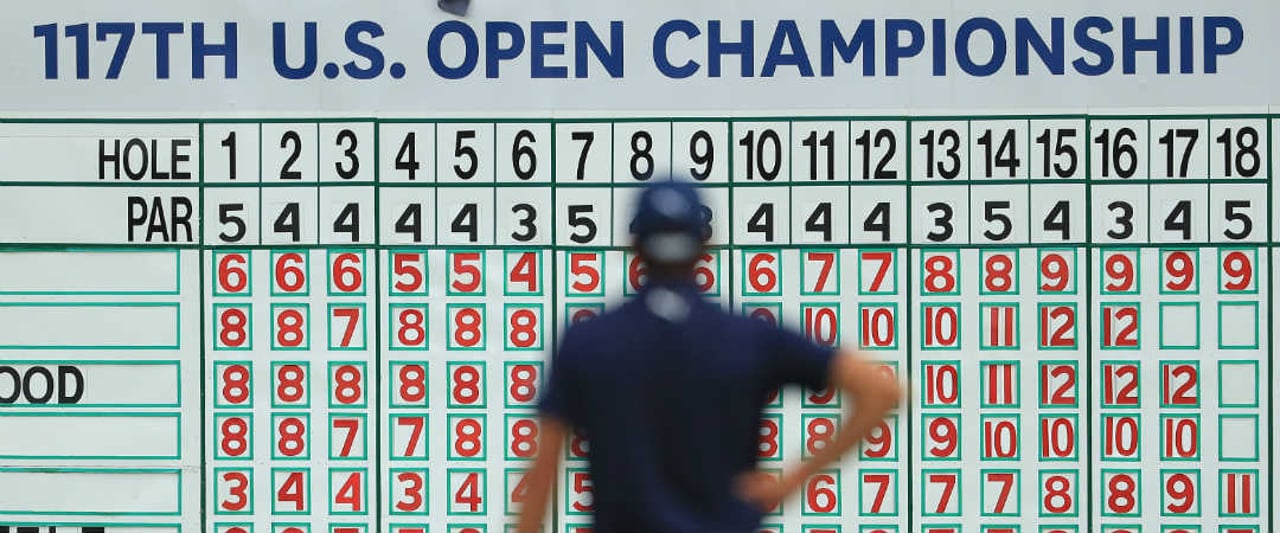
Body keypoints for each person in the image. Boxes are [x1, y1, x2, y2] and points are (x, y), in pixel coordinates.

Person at [516, 179, 902, 533]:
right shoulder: (749, 337)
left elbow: (543, 474)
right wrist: (792, 480)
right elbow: (881, 391)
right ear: (705, 244)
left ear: (634, 245)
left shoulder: (588, 341)